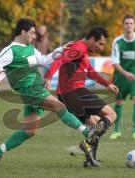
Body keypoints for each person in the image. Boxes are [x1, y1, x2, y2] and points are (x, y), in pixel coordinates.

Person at [0, 18, 97, 168]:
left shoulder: (31, 49)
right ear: (23, 32)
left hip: (37, 89)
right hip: (30, 90)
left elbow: (45, 60)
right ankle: (88, 133)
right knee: (59, 106)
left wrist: (60, 50)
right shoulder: (11, 50)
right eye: (32, 33)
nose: (34, 36)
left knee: (30, 131)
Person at [44, 27, 118, 167]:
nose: (101, 47)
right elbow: (58, 60)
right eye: (100, 43)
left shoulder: (82, 50)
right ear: (91, 39)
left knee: (95, 123)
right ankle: (87, 143)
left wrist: (106, 84)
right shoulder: (79, 48)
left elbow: (90, 72)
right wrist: (48, 77)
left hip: (66, 95)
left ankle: (90, 160)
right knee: (111, 114)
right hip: (74, 92)